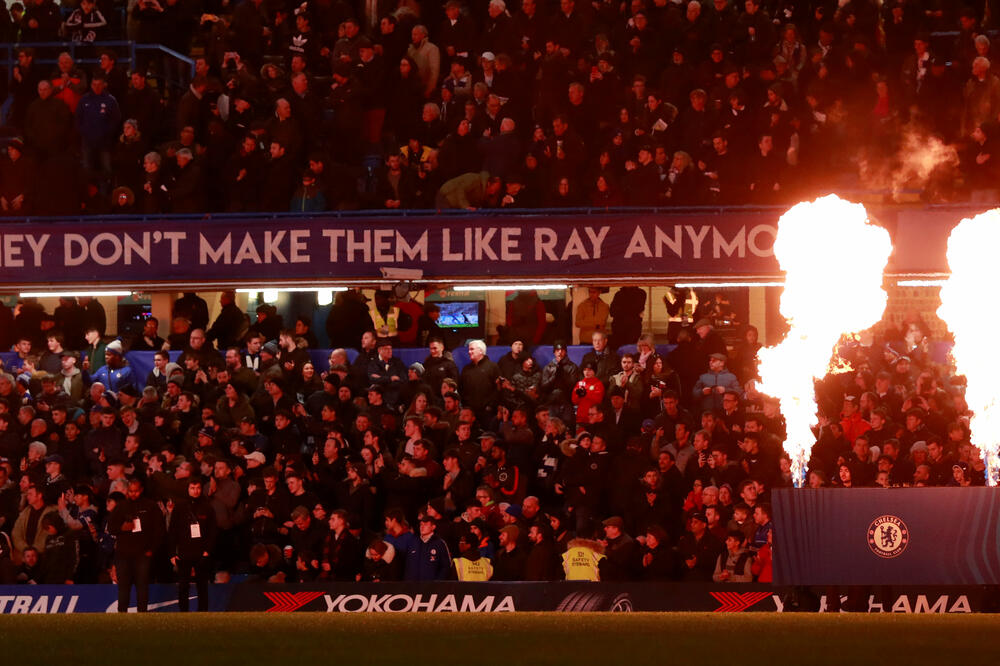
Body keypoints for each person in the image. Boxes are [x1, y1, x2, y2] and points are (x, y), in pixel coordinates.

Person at [109, 477, 165, 612]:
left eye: (136, 491)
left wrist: (152, 549)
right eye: (130, 491)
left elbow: (159, 531)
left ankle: (142, 615)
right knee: (123, 587)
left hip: (143, 553)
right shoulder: (121, 506)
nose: (133, 494)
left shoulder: (150, 506)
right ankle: (122, 614)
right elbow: (111, 527)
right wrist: (123, 528)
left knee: (142, 586)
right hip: (123, 554)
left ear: (141, 490)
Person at [169, 475, 216, 611]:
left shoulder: (207, 507)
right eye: (192, 488)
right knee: (183, 586)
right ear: (188, 489)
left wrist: (208, 550)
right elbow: (172, 531)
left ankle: (202, 615)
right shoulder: (180, 507)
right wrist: (172, 553)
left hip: (202, 552)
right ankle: (183, 614)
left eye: (198, 488)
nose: (195, 491)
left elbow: (212, 531)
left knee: (202, 586)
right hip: (184, 552)